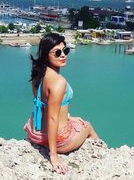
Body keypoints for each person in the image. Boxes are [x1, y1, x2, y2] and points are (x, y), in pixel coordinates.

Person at [24, 33, 98, 174]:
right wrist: (54, 156)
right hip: (57, 141)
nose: (63, 55)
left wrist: (68, 117)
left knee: (77, 121)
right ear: (46, 55)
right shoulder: (58, 82)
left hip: (35, 132)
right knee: (87, 126)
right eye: (57, 52)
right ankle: (102, 156)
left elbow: (47, 106)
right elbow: (52, 118)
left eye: (65, 50)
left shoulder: (38, 73)